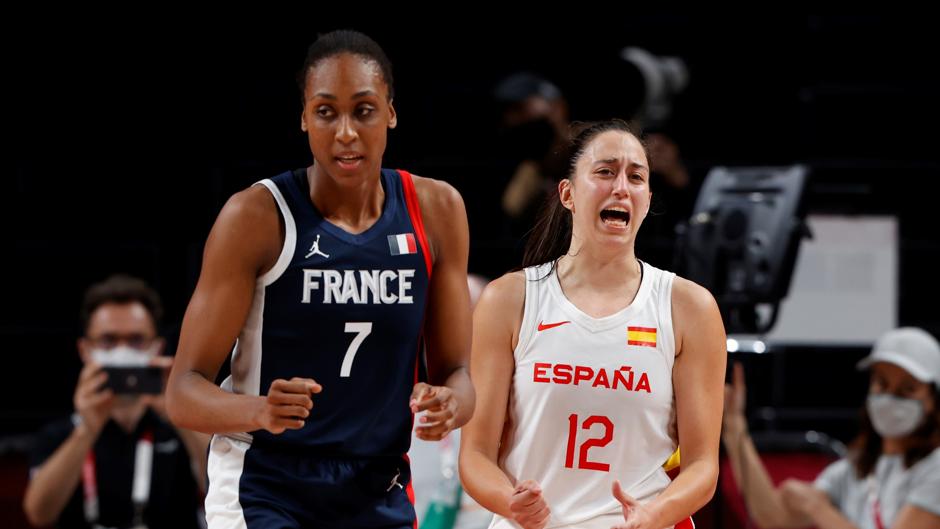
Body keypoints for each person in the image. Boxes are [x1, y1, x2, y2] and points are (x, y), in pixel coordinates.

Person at [165, 29, 475, 529]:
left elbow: (457, 372)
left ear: (391, 113)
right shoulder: (256, 216)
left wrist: (451, 404)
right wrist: (260, 410)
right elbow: (182, 392)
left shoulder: (437, 210)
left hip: (377, 484)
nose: (346, 132)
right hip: (266, 482)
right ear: (305, 118)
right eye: (327, 111)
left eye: (364, 110)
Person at [459, 119, 726, 529]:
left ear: (648, 197)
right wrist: (510, 501)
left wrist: (656, 514)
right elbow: (475, 456)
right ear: (567, 193)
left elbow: (703, 466)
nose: (622, 186)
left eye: (636, 177)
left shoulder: (690, 308)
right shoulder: (508, 299)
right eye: (605, 172)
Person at [23, 275, 208, 529]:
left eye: (136, 340)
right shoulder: (60, 433)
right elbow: (39, 514)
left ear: (157, 347)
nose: (123, 352)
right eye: (108, 341)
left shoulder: (177, 427)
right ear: (85, 350)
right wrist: (86, 430)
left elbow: (222, 484)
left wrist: (178, 414)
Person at [722, 327, 940, 529]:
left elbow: (814, 507)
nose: (890, 398)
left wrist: (818, 509)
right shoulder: (854, 468)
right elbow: (773, 516)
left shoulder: (935, 469)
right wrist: (734, 427)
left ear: (933, 398)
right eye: (882, 383)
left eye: (907, 389)